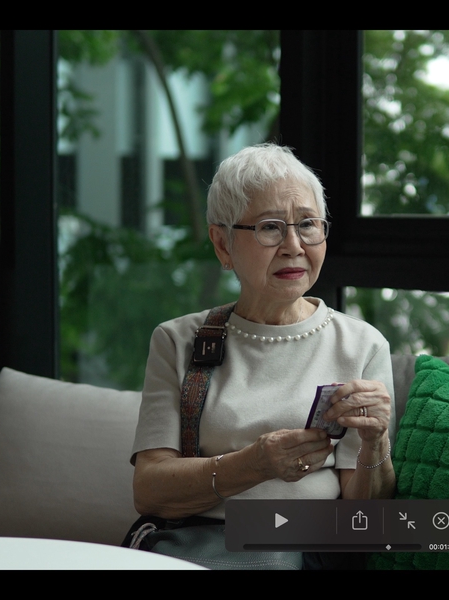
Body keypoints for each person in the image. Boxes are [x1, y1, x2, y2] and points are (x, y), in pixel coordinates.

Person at [129, 144, 395, 566]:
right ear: (223, 244)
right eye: (270, 227)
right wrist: (255, 464)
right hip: (199, 546)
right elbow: (149, 490)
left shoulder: (362, 345)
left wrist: (375, 441)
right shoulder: (178, 341)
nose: (293, 245)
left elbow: (365, 520)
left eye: (308, 224)